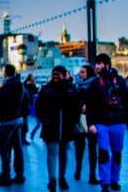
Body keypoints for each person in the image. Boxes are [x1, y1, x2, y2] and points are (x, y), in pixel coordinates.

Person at [86, 53, 128, 192]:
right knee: (103, 153)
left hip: (118, 122)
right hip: (101, 124)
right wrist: (91, 124)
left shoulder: (120, 81)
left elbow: (127, 102)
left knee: (117, 153)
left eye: (99, 64)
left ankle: (114, 180)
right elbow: (90, 105)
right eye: (96, 64)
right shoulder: (94, 83)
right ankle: (105, 182)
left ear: (107, 64)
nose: (97, 67)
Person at [36, 65, 81, 192]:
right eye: (54, 74)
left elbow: (77, 107)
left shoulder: (70, 89)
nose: (55, 76)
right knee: (53, 152)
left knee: (63, 152)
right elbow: (39, 106)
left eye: (58, 74)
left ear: (64, 75)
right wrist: (45, 120)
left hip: (66, 126)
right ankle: (52, 180)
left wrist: (73, 121)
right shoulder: (46, 89)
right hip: (51, 127)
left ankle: (61, 177)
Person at [0, 64, 25, 187]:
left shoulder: (8, 85)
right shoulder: (19, 83)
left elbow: (3, 102)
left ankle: (6, 175)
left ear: (5, 72)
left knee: (2, 147)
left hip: (8, 120)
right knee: (17, 147)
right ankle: (19, 175)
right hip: (17, 118)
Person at [74, 64, 99, 185]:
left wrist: (89, 106)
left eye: (83, 72)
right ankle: (78, 169)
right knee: (79, 147)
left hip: (91, 120)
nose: (80, 74)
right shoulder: (76, 85)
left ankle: (92, 173)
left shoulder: (95, 85)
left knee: (92, 148)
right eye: (80, 72)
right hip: (79, 120)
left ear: (89, 73)